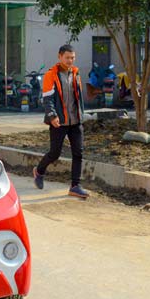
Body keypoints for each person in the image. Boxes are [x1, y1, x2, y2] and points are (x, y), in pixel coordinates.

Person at [33, 44, 89, 198]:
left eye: (73, 58)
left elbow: (78, 99)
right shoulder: (51, 75)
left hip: (75, 121)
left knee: (78, 153)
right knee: (54, 153)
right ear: (60, 57)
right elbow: (47, 99)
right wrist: (52, 116)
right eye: (67, 58)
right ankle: (39, 171)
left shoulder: (76, 74)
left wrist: (81, 116)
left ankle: (75, 186)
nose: (70, 61)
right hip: (58, 121)